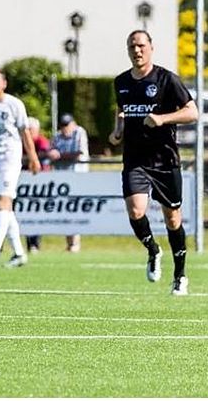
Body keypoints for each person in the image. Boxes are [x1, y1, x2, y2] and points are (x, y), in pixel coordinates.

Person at [109, 30, 198, 296]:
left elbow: (192, 112)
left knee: (173, 219)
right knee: (136, 211)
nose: (137, 51)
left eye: (141, 46)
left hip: (165, 160)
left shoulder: (166, 79)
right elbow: (122, 109)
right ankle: (152, 249)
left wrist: (162, 119)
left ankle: (180, 275)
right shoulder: (121, 81)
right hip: (135, 159)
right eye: (132, 47)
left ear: (151, 48)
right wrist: (117, 130)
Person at [0, 70, 42, 268]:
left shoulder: (14, 104)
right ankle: (19, 253)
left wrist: (33, 158)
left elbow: (25, 133)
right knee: (3, 206)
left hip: (11, 159)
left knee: (3, 201)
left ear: (4, 84)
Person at [48, 113, 90, 252]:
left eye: (67, 125)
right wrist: (52, 153)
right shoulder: (57, 136)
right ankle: (69, 243)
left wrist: (59, 155)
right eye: (63, 125)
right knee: (66, 209)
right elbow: (51, 149)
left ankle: (75, 243)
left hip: (78, 176)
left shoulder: (79, 132)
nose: (65, 128)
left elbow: (79, 153)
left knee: (75, 208)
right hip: (62, 178)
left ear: (73, 123)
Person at [24, 117, 50, 253]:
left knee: (36, 213)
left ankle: (35, 243)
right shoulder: (21, 142)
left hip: (40, 184)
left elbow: (45, 153)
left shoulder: (41, 141)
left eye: (31, 129)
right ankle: (28, 244)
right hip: (24, 183)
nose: (28, 132)